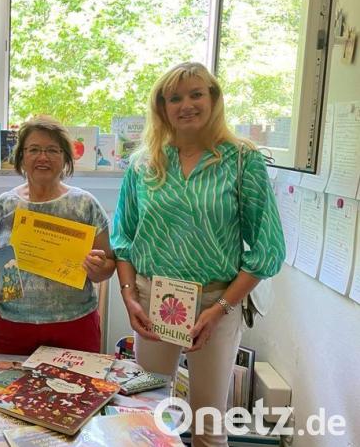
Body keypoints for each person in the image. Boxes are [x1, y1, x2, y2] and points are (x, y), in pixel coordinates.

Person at [110, 62, 284, 447]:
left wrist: (219, 308)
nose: (185, 105)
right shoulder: (143, 164)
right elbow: (123, 237)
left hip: (216, 302)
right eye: (174, 98)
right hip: (153, 298)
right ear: (162, 107)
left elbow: (268, 248)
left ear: (213, 99)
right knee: (146, 415)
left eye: (195, 94)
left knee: (209, 421)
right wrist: (129, 296)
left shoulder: (243, 160)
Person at [0, 115, 115, 355]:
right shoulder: (5, 204)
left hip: (74, 323)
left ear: (65, 157)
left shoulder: (85, 204)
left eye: (52, 150)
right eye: (34, 149)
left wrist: (99, 268)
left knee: (76, 382)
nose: (43, 157)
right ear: (22, 157)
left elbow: (108, 264)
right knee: (7, 381)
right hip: (12, 325)